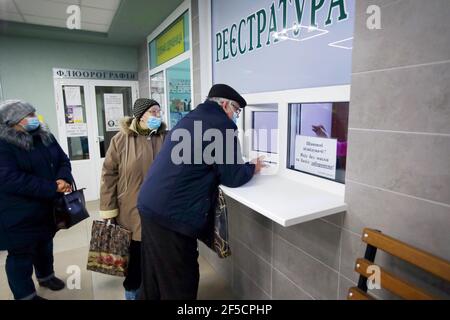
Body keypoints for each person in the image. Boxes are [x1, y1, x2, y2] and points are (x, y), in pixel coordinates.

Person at [137, 84, 265, 300]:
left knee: (154, 274)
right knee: (180, 281)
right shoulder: (222, 126)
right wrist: (252, 167)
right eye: (236, 110)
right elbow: (232, 176)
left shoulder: (191, 118)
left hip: (150, 203)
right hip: (171, 215)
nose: (236, 116)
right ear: (225, 105)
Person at [0, 100, 73, 300]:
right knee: (21, 255)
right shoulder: (4, 144)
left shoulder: (45, 136)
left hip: (46, 207)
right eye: (30, 115)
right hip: (17, 212)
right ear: (13, 120)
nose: (35, 118)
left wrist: (63, 178)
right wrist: (52, 187)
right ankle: (25, 295)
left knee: (44, 244)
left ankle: (46, 276)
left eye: (34, 113)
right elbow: (9, 179)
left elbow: (62, 159)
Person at [99, 98, 167, 300]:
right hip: (130, 213)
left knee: (159, 261)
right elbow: (108, 175)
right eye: (153, 112)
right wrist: (108, 209)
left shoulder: (167, 138)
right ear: (140, 115)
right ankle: (132, 296)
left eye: (158, 111)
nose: (157, 115)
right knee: (134, 263)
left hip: (160, 213)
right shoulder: (120, 140)